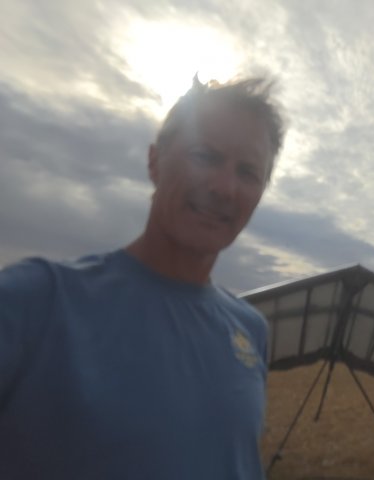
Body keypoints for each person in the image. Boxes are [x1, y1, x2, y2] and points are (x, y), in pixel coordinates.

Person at [0, 76, 285, 479]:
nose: (225, 187)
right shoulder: (36, 301)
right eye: (206, 156)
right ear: (154, 162)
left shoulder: (249, 329)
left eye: (248, 172)